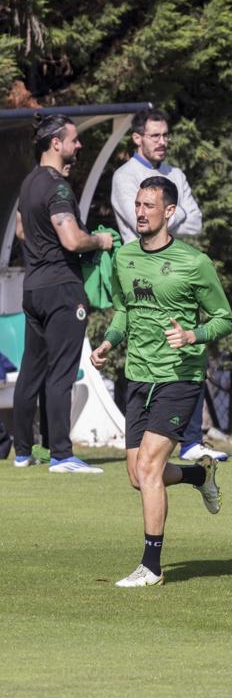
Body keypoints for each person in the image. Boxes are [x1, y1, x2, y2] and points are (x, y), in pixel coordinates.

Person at [90, 177, 232, 587]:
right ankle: (199, 476)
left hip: (179, 376)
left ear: (169, 212)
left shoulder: (194, 262)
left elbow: (225, 318)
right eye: (137, 204)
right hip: (136, 374)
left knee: (151, 467)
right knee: (138, 476)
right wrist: (108, 342)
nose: (140, 212)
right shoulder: (125, 257)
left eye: (149, 205)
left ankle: (151, 566)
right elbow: (124, 310)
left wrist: (193, 335)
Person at [110, 108, 220, 464]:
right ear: (137, 138)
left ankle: (191, 440)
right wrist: (171, 213)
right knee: (148, 359)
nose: (163, 141)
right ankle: (188, 463)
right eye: (155, 135)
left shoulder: (175, 173)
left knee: (187, 344)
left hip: (175, 269)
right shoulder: (126, 175)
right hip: (139, 272)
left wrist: (173, 217)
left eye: (165, 134)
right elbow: (140, 221)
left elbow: (196, 220)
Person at [13, 114, 113, 473]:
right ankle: (61, 454)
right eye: (74, 139)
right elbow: (72, 239)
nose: (79, 145)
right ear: (56, 143)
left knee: (31, 370)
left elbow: (23, 231)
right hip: (61, 290)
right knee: (62, 373)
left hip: (33, 288)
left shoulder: (28, 184)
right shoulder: (56, 186)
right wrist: (99, 240)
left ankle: (22, 452)